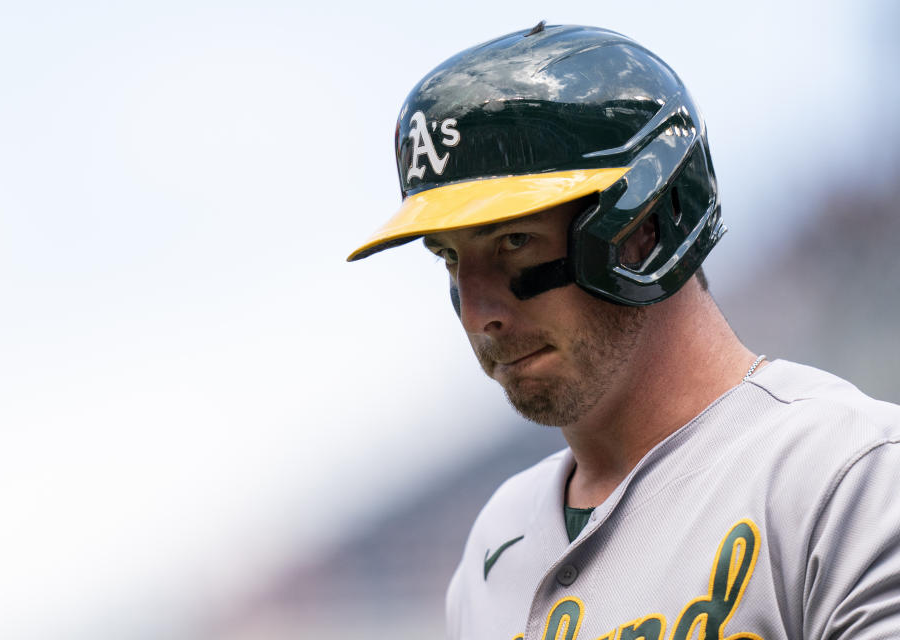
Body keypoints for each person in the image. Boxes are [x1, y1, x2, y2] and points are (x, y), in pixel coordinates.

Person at [347, 23, 900, 640]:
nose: (480, 315)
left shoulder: (851, 474)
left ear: (644, 229)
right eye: (449, 258)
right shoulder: (494, 542)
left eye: (513, 242)